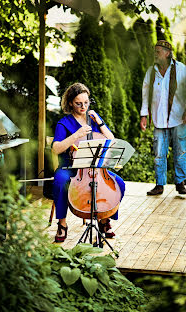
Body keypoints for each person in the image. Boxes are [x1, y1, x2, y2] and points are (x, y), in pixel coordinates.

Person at [52, 82, 125, 242]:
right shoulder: (63, 123)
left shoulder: (93, 119)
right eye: (79, 103)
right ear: (71, 102)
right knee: (60, 182)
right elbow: (56, 149)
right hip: (70, 168)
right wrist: (76, 135)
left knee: (119, 183)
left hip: (95, 168)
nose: (83, 106)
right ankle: (62, 224)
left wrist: (99, 121)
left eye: (86, 102)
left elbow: (111, 140)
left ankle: (105, 220)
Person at [140, 40, 186, 195]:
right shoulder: (151, 71)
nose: (155, 54)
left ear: (167, 53)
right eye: (155, 51)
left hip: (179, 119)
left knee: (180, 152)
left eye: (158, 51)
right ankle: (159, 185)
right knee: (159, 153)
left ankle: (180, 182)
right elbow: (145, 94)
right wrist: (144, 115)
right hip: (159, 120)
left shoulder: (181, 69)